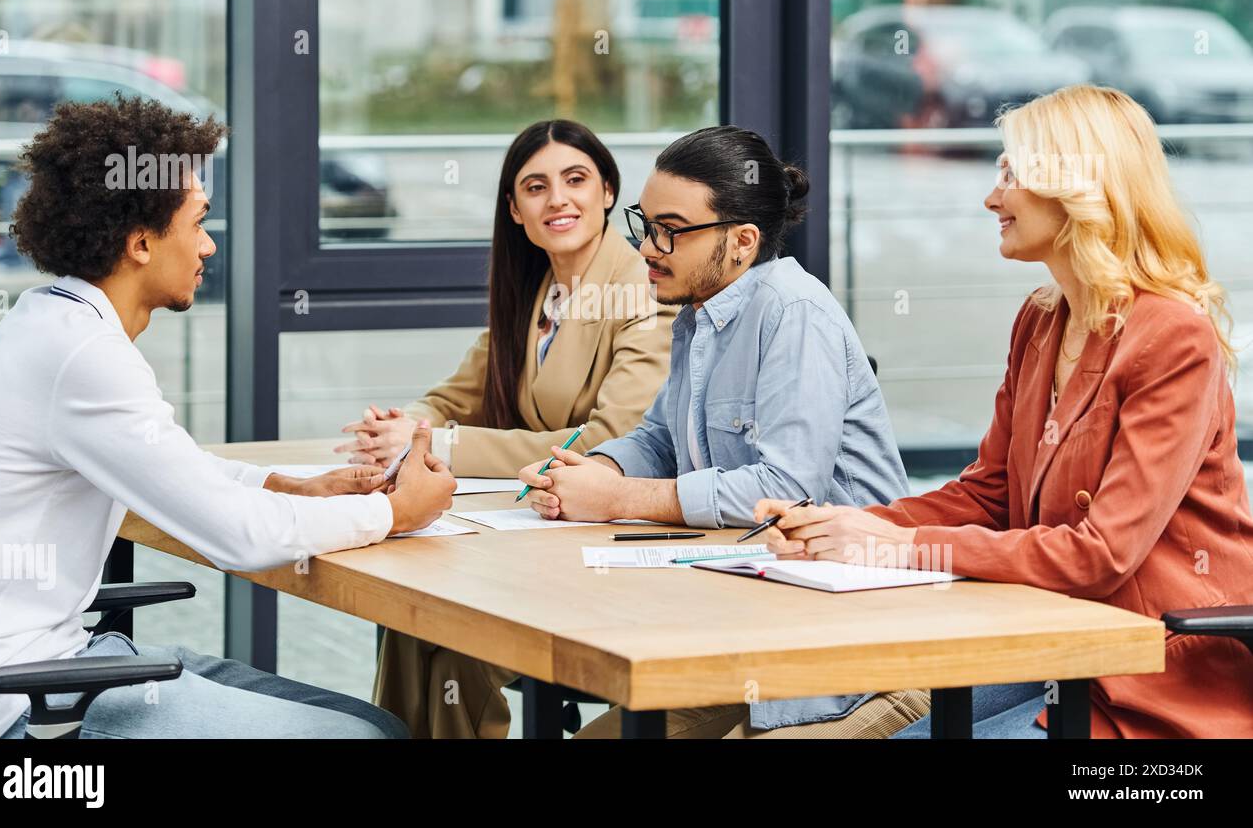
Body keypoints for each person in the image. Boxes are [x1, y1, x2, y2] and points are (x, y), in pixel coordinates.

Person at [756, 84, 1253, 738]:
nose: (992, 197)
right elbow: (990, 491)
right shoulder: (1042, 320)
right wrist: (843, 526)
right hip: (1060, 645)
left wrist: (901, 548)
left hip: (1154, 669)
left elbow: (1101, 554)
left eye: (1011, 175)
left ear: (1077, 188)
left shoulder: (1170, 337)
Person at [0, 95, 457, 739]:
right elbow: (237, 537)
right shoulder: (83, 356)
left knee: (369, 721)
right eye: (197, 223)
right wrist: (397, 512)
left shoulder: (52, 320)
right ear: (139, 242)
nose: (209, 245)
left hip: (60, 663)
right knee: (366, 738)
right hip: (17, 704)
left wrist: (286, 485)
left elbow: (177, 468)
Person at [512, 124, 922, 739]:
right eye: (644, 224)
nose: (648, 247)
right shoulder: (700, 313)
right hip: (750, 636)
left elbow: (787, 489)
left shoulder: (793, 313)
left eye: (669, 231)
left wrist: (619, 501)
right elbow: (658, 439)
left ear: (742, 241)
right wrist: (592, 472)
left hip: (853, 651)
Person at [362, 119, 676, 738]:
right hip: (536, 536)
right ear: (514, 209)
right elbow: (456, 396)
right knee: (408, 619)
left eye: (576, 179)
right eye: (535, 187)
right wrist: (403, 430)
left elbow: (610, 440)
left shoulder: (642, 289)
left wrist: (443, 446)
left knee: (455, 646)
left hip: (608, 549)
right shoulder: (536, 292)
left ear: (608, 191)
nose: (557, 199)